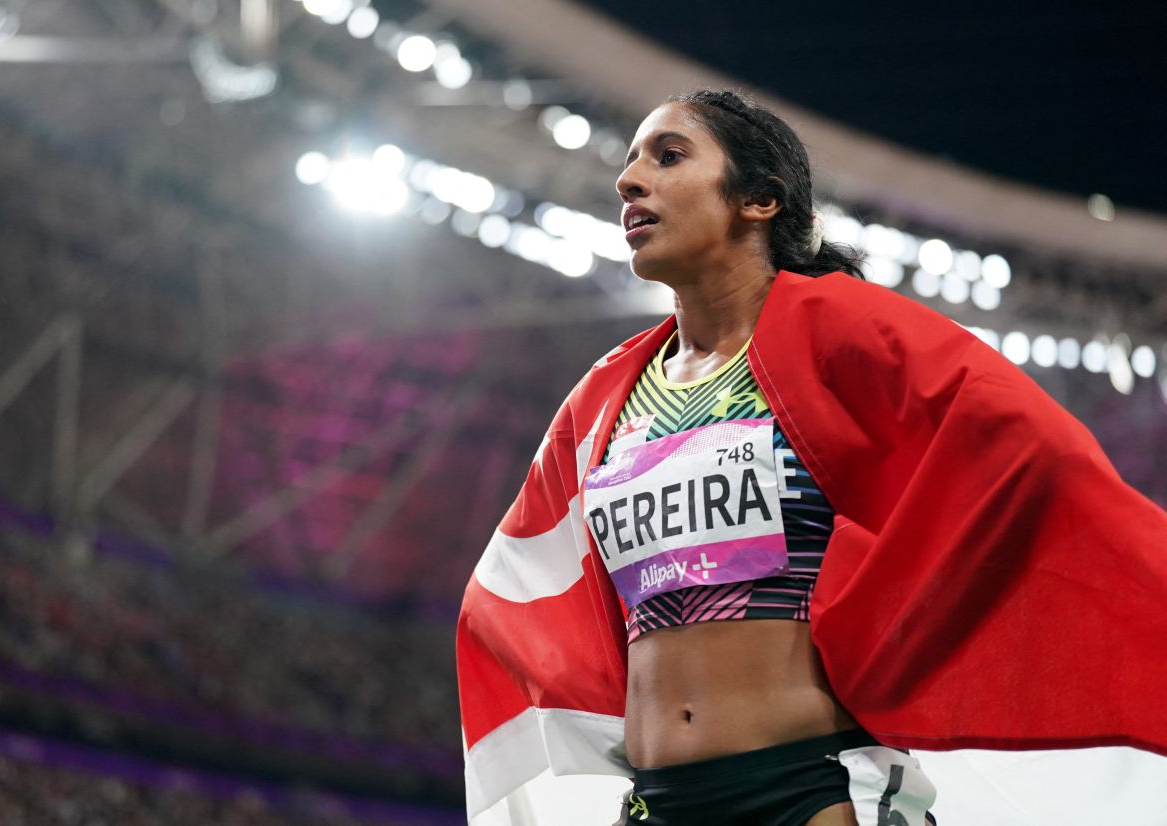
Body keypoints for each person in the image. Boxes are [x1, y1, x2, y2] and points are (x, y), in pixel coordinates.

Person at [456, 89, 1167, 826]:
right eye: (631, 162)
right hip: (657, 804)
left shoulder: (845, 336)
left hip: (806, 794)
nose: (629, 181)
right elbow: (515, 591)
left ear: (759, 200)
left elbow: (1036, 464)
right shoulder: (605, 396)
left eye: (668, 157)